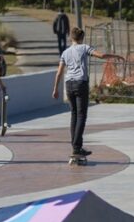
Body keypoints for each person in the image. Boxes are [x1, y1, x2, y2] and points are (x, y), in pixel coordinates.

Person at [51, 27, 122, 162]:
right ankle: (77, 148)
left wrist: (55, 89)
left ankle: (75, 146)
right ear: (82, 37)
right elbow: (100, 55)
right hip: (80, 83)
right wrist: (115, 56)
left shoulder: (65, 52)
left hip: (68, 84)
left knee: (74, 115)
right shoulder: (84, 47)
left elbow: (59, 72)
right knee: (81, 115)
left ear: (71, 38)